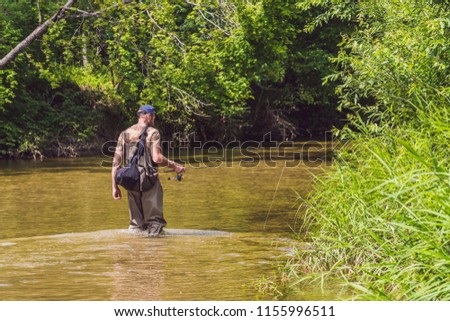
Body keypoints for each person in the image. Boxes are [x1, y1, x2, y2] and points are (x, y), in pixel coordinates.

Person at [111, 105, 185, 237]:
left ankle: (137, 253)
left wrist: (114, 187)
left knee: (136, 226)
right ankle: (153, 253)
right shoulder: (153, 132)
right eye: (154, 116)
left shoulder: (124, 133)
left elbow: (116, 162)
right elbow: (157, 157)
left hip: (130, 181)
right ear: (149, 116)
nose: (154, 119)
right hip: (149, 181)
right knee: (155, 223)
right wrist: (175, 166)